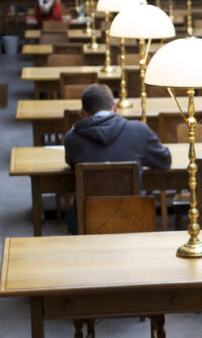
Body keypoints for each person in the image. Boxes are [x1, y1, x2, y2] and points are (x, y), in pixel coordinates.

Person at [63, 84, 172, 233]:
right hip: (132, 218)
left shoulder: (72, 138)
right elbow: (165, 161)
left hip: (88, 219)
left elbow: (71, 163)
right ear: (114, 107)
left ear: (84, 113)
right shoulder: (139, 131)